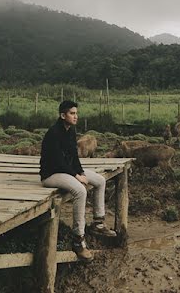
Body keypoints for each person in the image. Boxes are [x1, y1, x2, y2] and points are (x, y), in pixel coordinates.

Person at [40, 100, 116, 261]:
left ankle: (98, 223)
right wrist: (76, 176)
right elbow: (57, 161)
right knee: (80, 191)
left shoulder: (70, 131)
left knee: (100, 180)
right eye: (72, 113)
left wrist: (80, 171)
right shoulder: (53, 133)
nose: (76, 116)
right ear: (62, 115)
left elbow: (74, 157)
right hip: (51, 174)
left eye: (76, 113)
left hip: (67, 171)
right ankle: (78, 240)